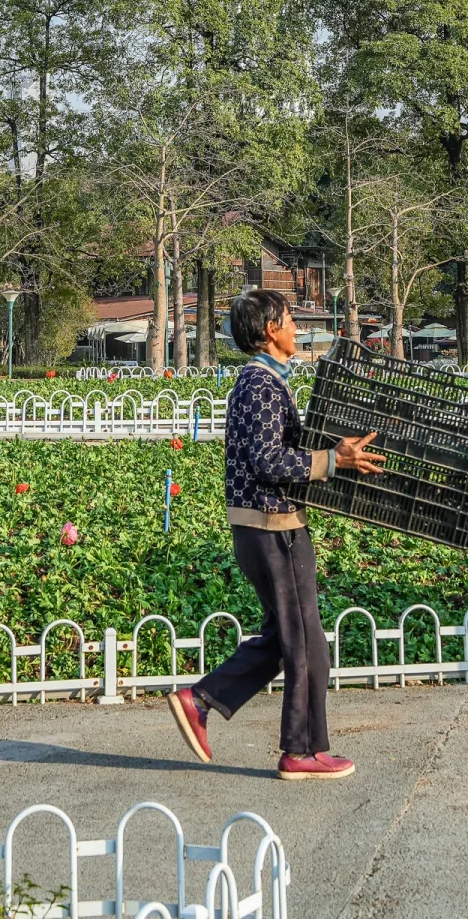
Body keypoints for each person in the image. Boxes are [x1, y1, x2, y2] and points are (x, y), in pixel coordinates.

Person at [168, 288, 384, 781]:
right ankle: (300, 752)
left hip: (266, 526)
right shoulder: (261, 384)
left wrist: (332, 449)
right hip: (273, 527)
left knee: (286, 638)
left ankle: (202, 700)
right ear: (271, 330)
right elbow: (269, 460)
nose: (296, 328)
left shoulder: (263, 381)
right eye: (289, 320)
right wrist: (332, 461)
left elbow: (278, 447)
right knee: (307, 645)